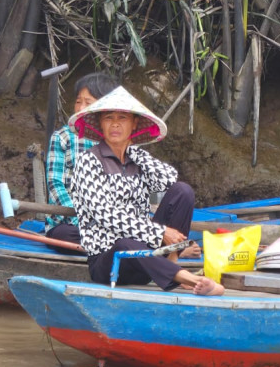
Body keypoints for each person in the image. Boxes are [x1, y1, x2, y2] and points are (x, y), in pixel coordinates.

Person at [69, 86, 224, 295]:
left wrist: (133, 150)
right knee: (125, 243)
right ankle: (187, 277)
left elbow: (169, 180)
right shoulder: (88, 161)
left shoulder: (137, 160)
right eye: (108, 118)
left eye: (123, 118)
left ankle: (171, 261)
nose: (115, 124)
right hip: (109, 262)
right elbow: (107, 215)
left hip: (147, 255)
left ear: (134, 124)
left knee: (183, 191)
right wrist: (159, 232)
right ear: (100, 124)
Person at [44, 71, 119, 242]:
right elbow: (55, 184)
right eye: (78, 102)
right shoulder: (63, 137)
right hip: (68, 223)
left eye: (88, 102)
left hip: (109, 223)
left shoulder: (117, 141)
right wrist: (79, 218)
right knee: (66, 235)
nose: (80, 108)